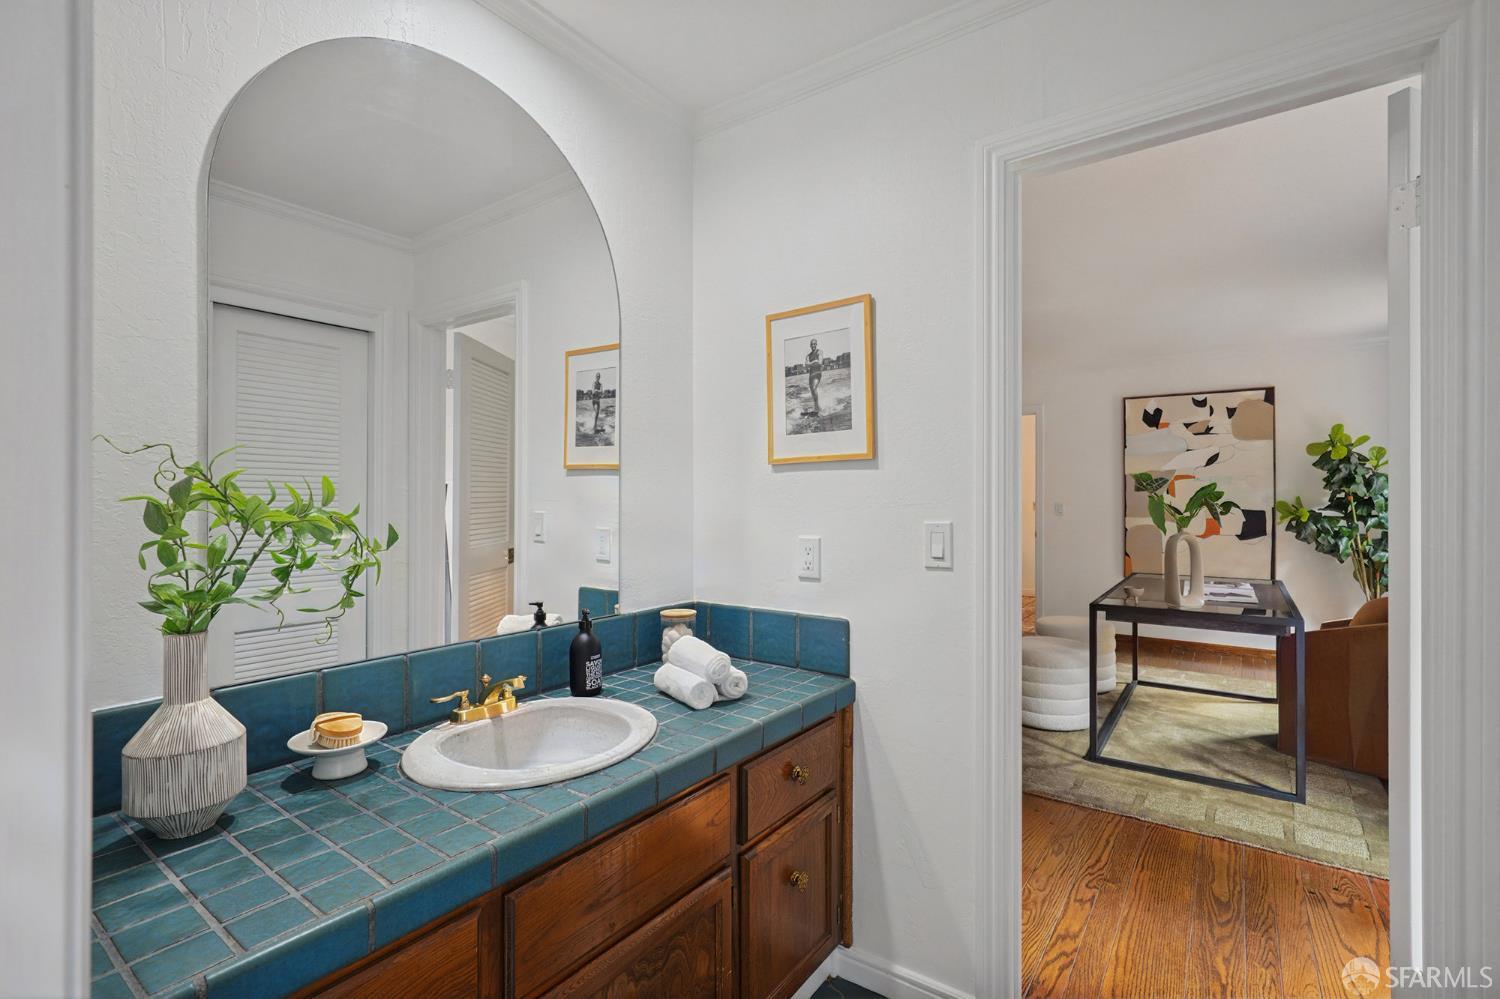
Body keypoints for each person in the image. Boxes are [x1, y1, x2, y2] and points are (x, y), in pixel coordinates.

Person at [805, 338, 822, 415]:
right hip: (811, 375)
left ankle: (816, 408)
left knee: (814, 388)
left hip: (817, 373)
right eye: (812, 344)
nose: (813, 345)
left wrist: (810, 363)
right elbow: (806, 366)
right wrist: (815, 361)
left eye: (814, 344)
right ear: (810, 345)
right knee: (812, 392)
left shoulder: (819, 352)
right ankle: (817, 406)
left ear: (816, 344)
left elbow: (820, 362)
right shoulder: (808, 355)